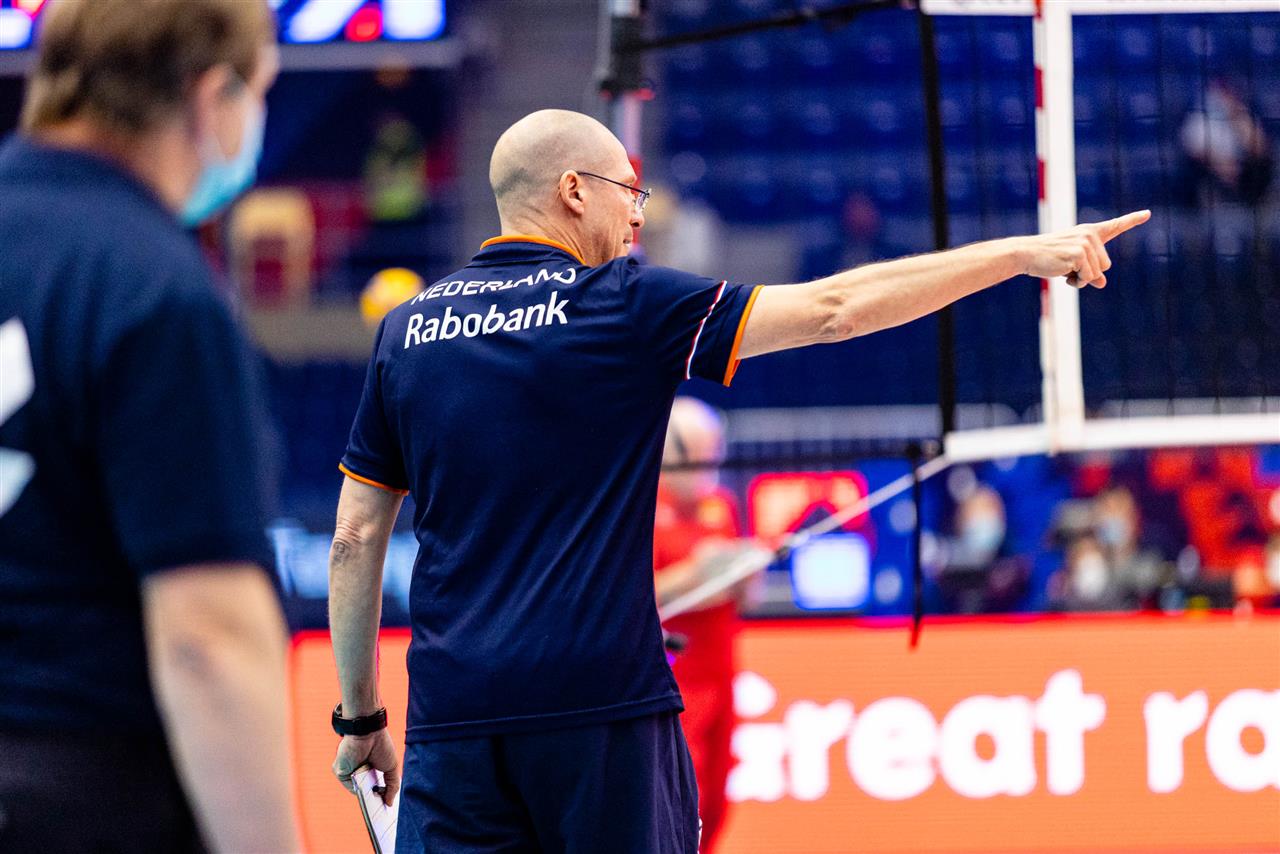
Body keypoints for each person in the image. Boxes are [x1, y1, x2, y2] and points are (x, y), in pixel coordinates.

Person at [327, 107, 1149, 852]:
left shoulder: (407, 332)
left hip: (454, 719)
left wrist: (360, 717)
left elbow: (355, 538)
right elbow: (834, 309)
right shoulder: (622, 303)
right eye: (629, 191)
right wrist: (1019, 254)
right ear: (573, 191)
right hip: (602, 709)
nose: (638, 215)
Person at [0, 1, 300, 851]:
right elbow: (208, 640)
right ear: (211, 98)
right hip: (76, 797)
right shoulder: (153, 290)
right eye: (259, 93)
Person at [653, 397, 760, 853]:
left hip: (722, 672)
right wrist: (697, 572)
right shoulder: (641, 507)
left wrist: (745, 569)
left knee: (717, 797)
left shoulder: (721, 504)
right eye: (700, 453)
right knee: (681, 793)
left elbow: (746, 598)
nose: (710, 465)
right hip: (677, 678)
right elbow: (635, 595)